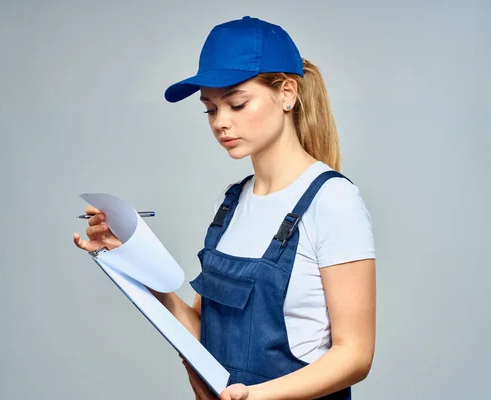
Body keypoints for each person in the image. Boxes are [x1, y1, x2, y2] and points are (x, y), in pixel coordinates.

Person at [73, 16, 376, 400]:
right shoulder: (230, 204)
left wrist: (255, 397)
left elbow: (355, 355)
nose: (221, 123)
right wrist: (128, 258)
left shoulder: (333, 201)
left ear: (287, 93)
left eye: (236, 103)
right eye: (211, 109)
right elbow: (205, 334)